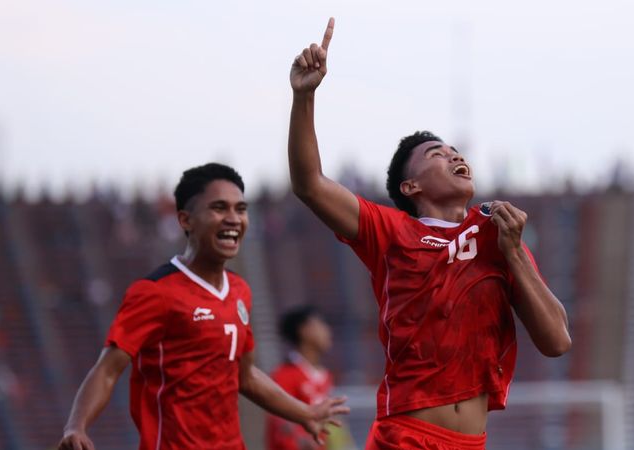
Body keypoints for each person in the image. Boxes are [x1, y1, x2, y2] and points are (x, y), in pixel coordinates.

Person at [287, 18, 572, 450]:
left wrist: (514, 253)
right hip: (407, 437)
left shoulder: (499, 236)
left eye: (456, 151)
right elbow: (309, 183)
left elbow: (557, 341)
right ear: (410, 187)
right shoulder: (391, 230)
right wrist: (304, 96)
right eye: (437, 154)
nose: (455, 156)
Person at [58, 163, 349, 450]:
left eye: (241, 209)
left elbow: (244, 376)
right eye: (219, 208)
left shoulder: (239, 291)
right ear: (186, 220)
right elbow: (108, 369)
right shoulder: (155, 292)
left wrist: (305, 412)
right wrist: (76, 425)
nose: (234, 218)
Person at [266, 306, 346, 450]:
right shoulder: (285, 374)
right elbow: (280, 422)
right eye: (320, 324)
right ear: (304, 330)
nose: (327, 331)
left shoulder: (325, 376)